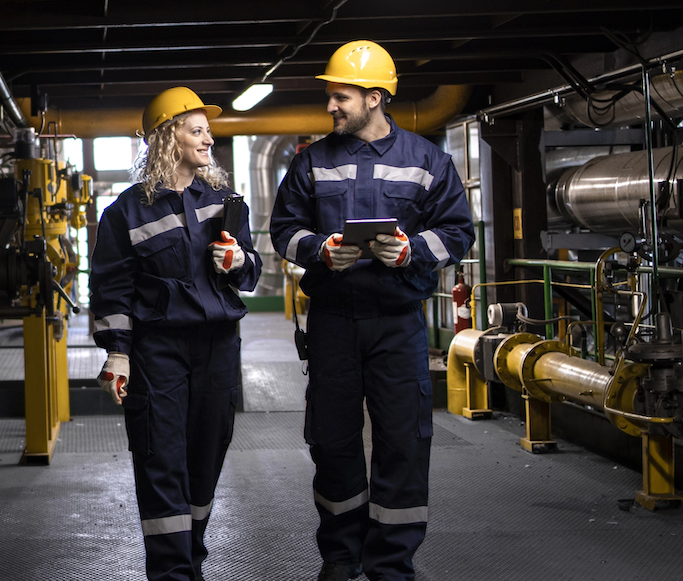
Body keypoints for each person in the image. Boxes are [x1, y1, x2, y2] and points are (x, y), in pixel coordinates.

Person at [268, 40, 475, 581]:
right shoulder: (311, 161)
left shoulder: (428, 161)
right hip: (333, 322)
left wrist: (410, 250)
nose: (331, 107)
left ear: (375, 98)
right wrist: (320, 250)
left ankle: (391, 562)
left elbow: (458, 233)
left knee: (403, 441)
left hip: (397, 324)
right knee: (332, 441)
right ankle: (341, 556)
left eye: (341, 97)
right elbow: (283, 232)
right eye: (331, 98)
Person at [89, 87, 261, 581]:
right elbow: (111, 288)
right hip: (157, 352)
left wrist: (238, 261)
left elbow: (250, 269)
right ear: (168, 138)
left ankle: (193, 559)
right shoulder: (126, 212)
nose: (209, 138)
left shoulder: (225, 203)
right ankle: (172, 574)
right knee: (161, 460)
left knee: (205, 458)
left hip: (218, 348)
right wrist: (117, 355)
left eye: (208, 130)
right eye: (197, 129)